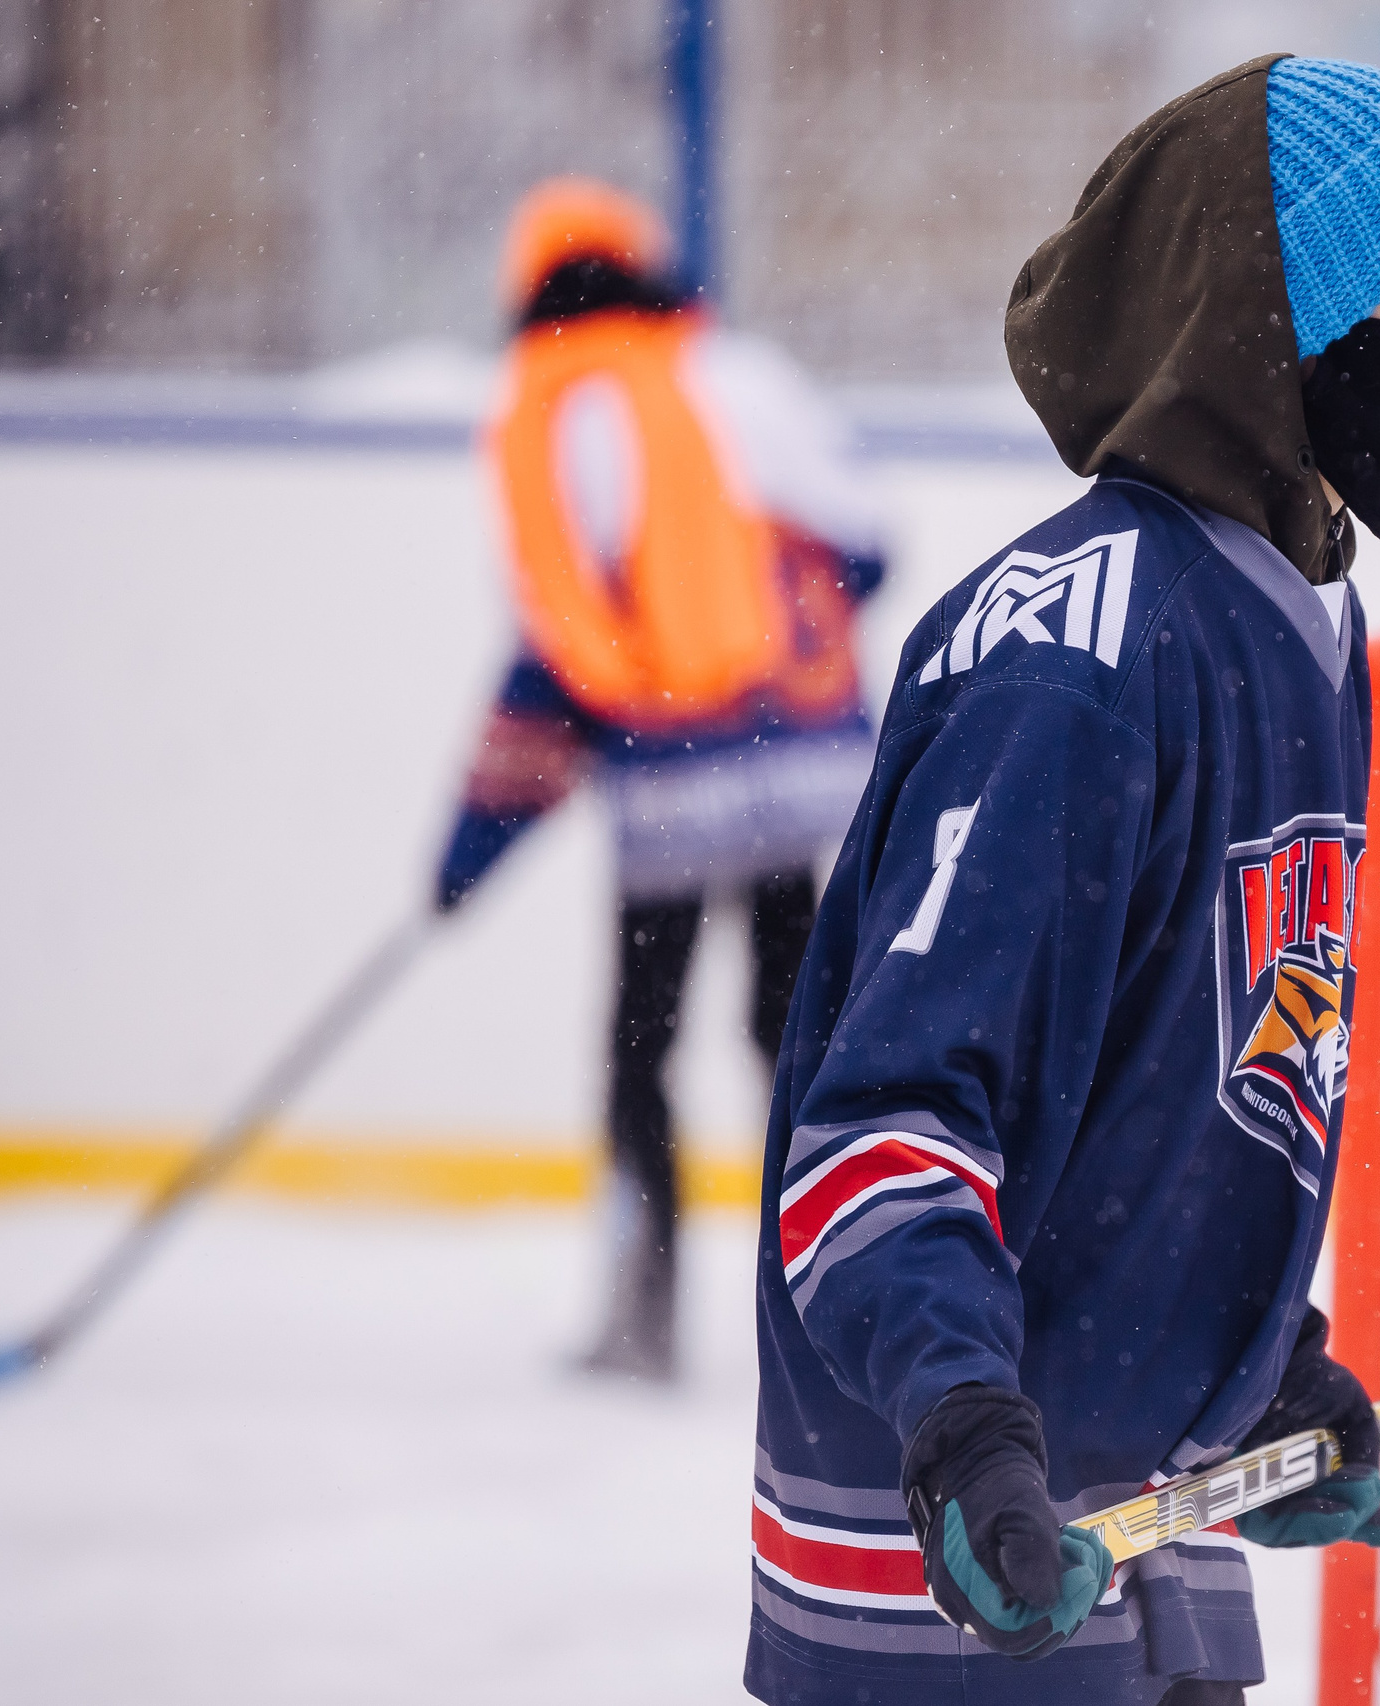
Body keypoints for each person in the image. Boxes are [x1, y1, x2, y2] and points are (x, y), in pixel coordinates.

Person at [743, 55, 1380, 1705]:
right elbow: (891, 1109)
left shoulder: (1307, 616)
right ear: (1265, 320)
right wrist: (961, 1425)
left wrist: (1256, 1367)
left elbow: (1198, 1073)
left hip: (1145, 1521)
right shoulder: (1075, 648)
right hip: (960, 1553)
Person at [435, 178, 889, 1383]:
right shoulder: (743, 380)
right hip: (805, 781)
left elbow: (552, 663)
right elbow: (867, 546)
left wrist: (467, 854)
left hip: (671, 798)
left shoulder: (551, 419)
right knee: (793, 1041)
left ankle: (643, 1315)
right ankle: (835, 1305)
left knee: (642, 1045)